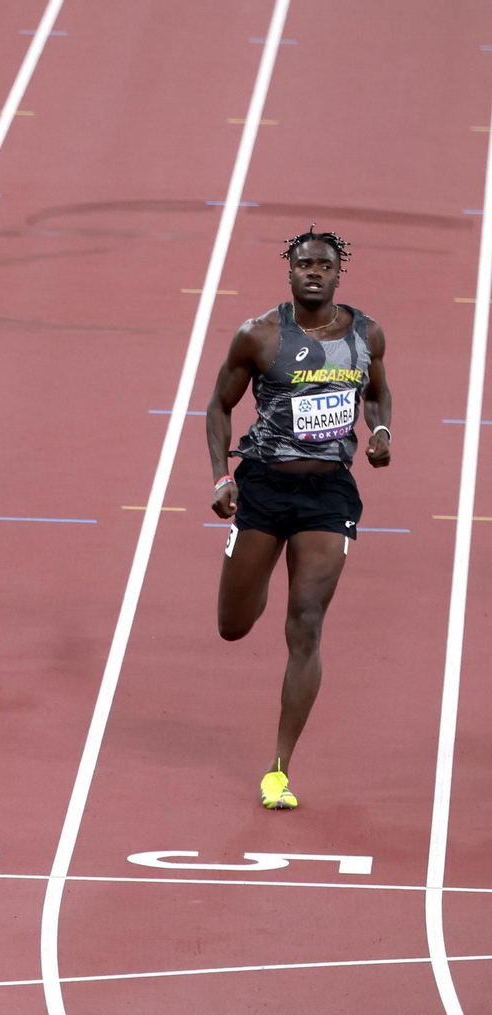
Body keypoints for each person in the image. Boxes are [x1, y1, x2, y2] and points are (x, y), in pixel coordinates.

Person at [205, 226, 391, 810]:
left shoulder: (366, 334)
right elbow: (219, 406)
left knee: (306, 621)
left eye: (324, 265)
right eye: (304, 263)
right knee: (233, 625)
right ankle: (254, 580)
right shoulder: (259, 336)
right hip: (262, 487)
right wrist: (221, 476)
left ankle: (279, 769)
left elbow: (378, 394)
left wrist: (380, 430)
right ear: (290, 272)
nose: (314, 271)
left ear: (339, 274)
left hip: (329, 496)